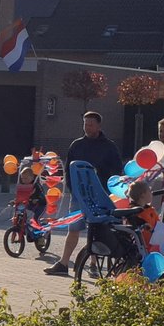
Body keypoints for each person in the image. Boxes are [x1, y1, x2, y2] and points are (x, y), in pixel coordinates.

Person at [45, 111, 126, 276]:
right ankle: (63, 263)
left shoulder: (109, 147)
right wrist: (73, 189)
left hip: (100, 196)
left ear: (99, 126)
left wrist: (105, 188)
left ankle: (93, 264)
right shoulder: (77, 145)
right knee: (73, 228)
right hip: (79, 196)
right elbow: (68, 169)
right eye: (85, 124)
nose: (87, 127)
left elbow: (117, 171)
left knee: (96, 230)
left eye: (91, 124)